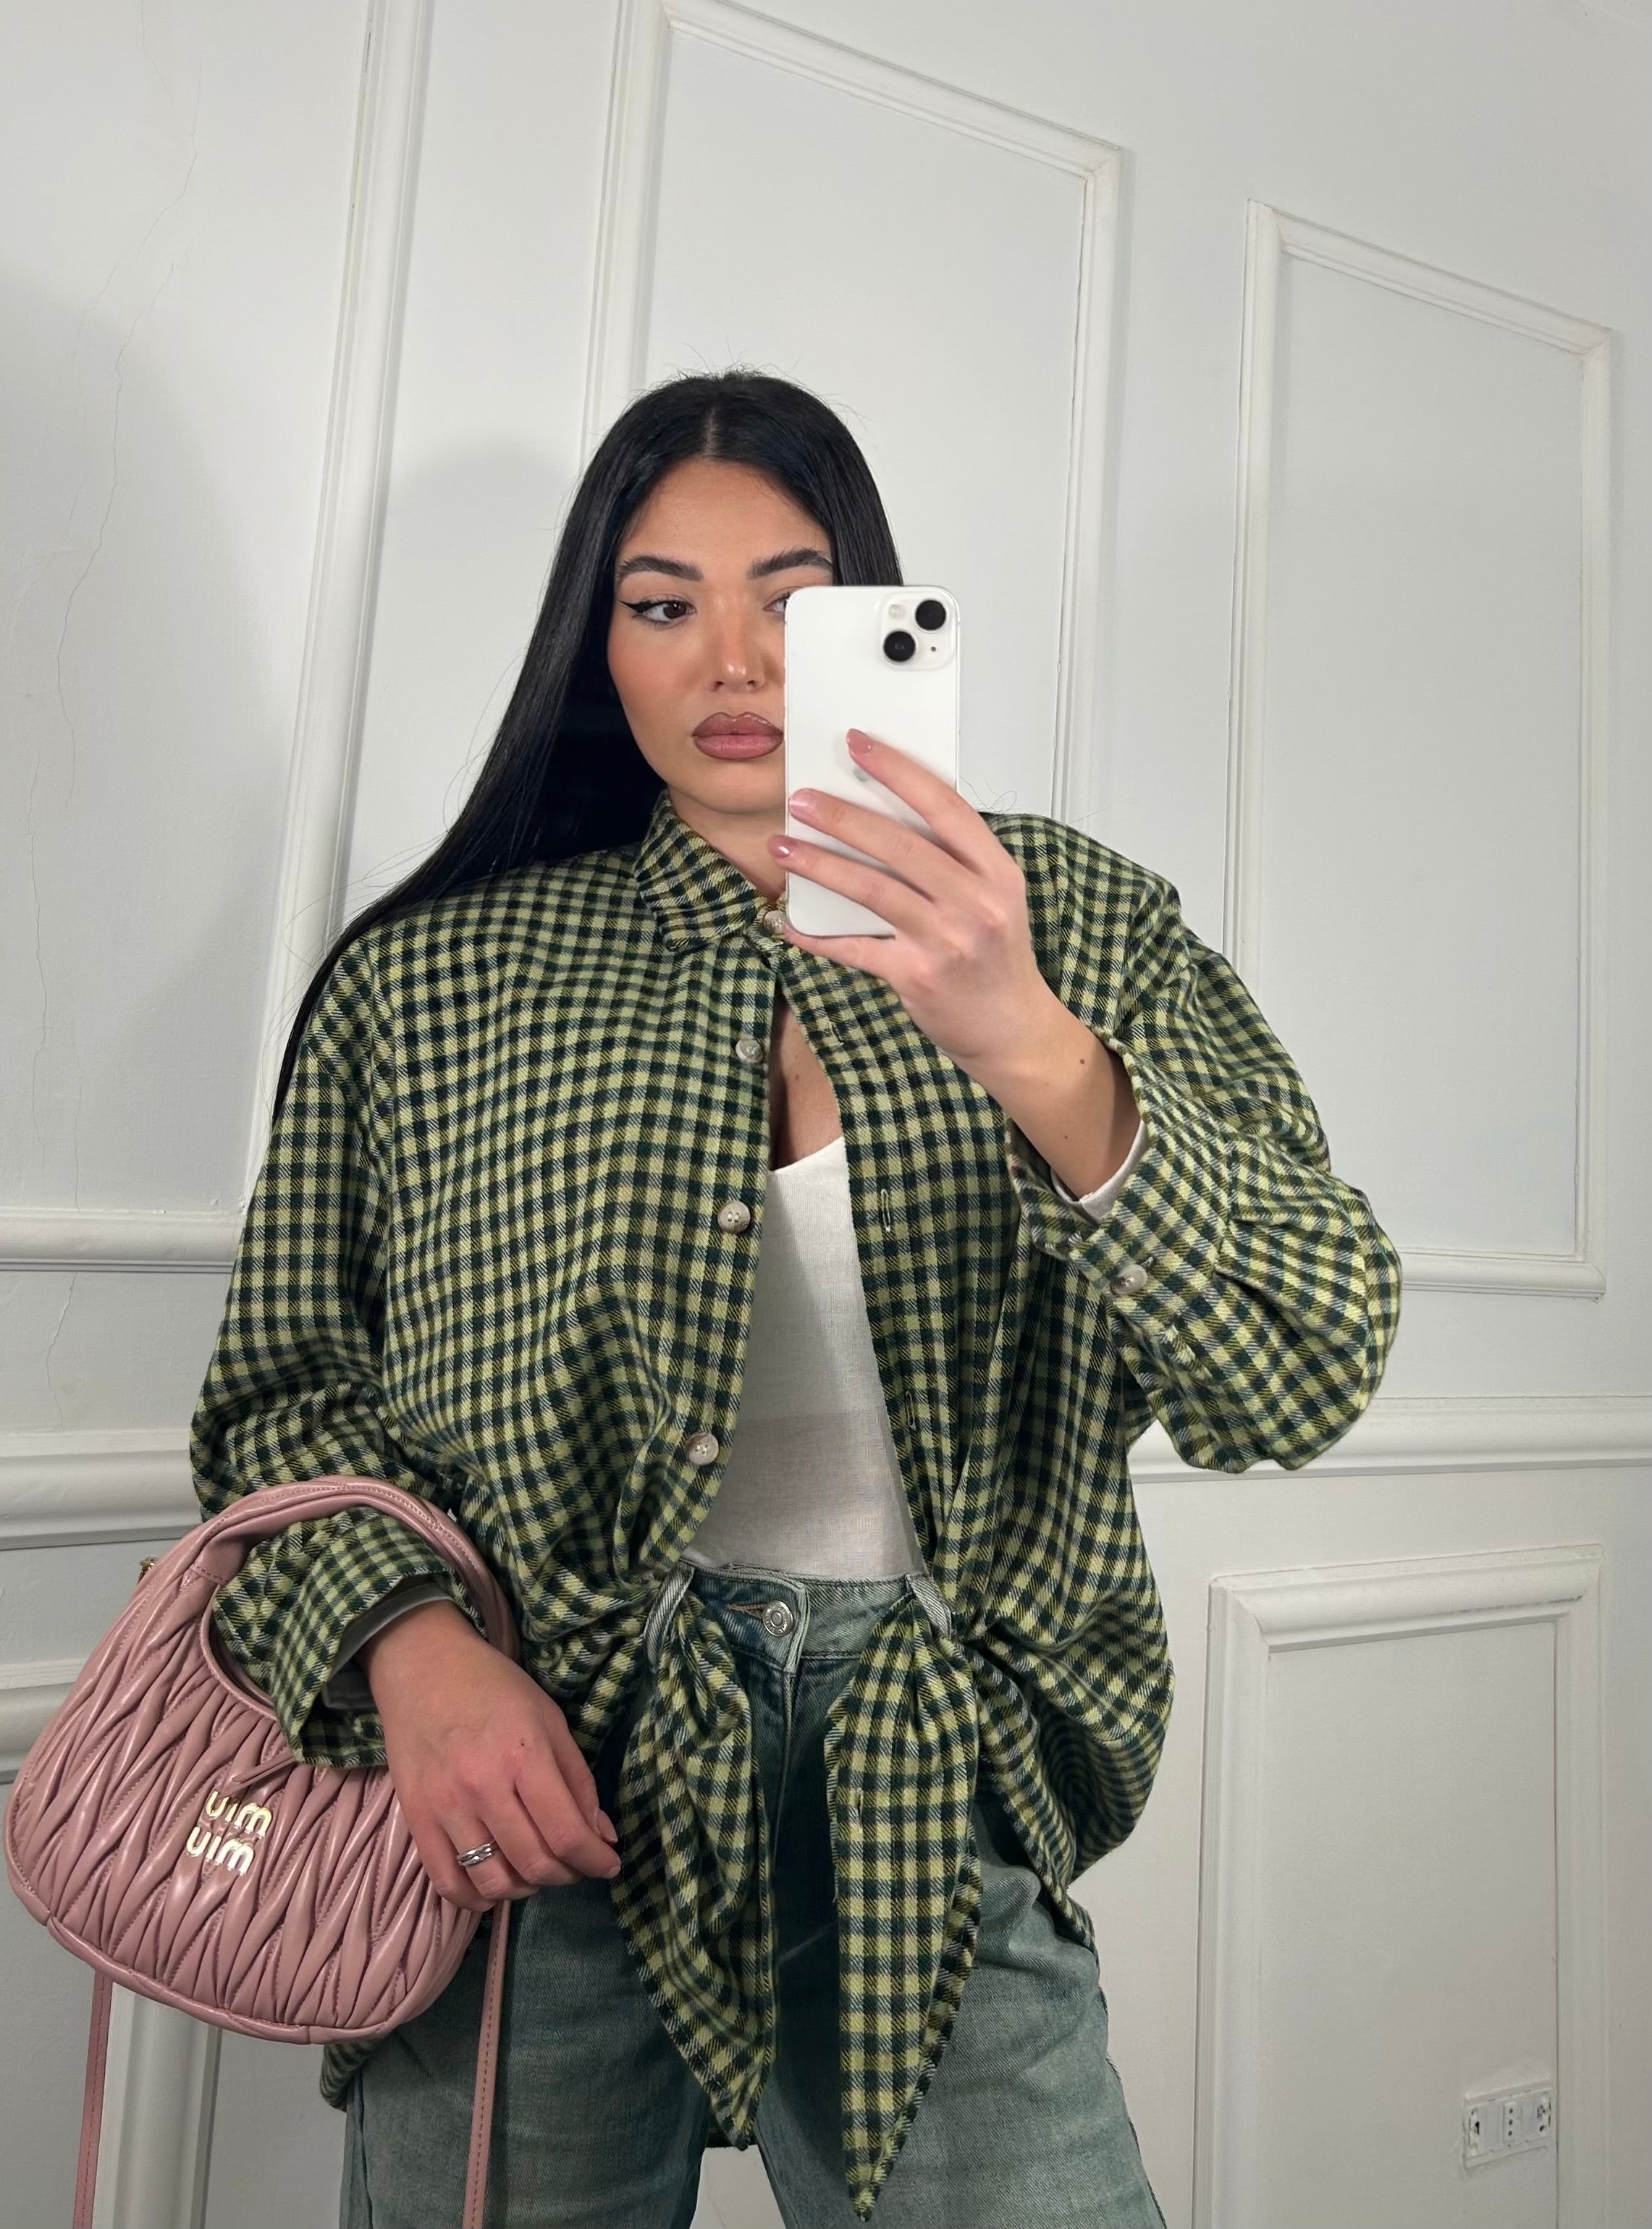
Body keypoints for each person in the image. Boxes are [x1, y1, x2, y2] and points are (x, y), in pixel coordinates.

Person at [189, 370, 1402, 2229]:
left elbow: (1306, 1361)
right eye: (661, 602)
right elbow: (282, 1401)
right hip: (539, 1781)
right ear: (595, 643)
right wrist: (413, 1656)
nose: (734, 659)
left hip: (933, 1775)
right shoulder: (434, 982)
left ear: (876, 620)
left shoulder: (1070, 922)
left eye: (793, 598)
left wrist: (1028, 1042)